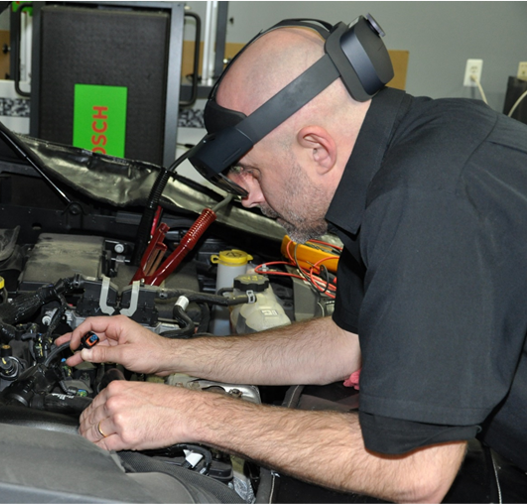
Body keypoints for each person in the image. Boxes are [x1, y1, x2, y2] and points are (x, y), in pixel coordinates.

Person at [56, 20, 527, 504]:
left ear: (317, 148)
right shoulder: (417, 148)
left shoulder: (431, 198)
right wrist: (170, 352)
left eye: (251, 171)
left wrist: (186, 412)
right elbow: (346, 342)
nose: (248, 198)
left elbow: (412, 469)